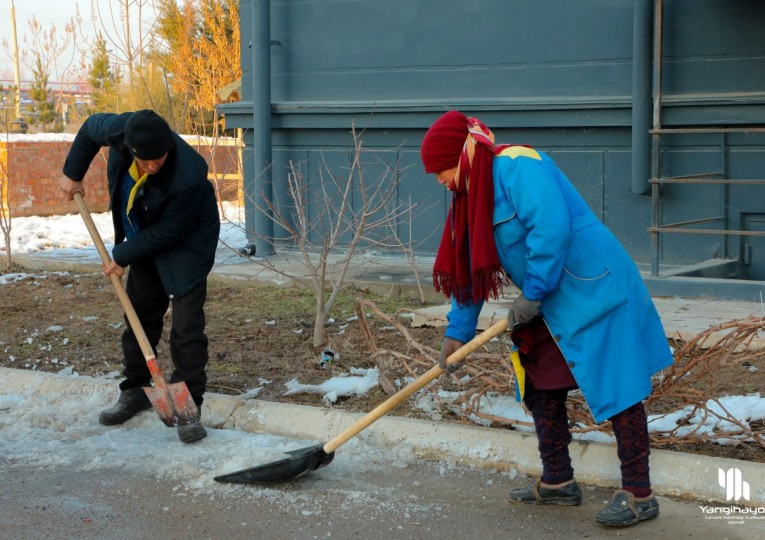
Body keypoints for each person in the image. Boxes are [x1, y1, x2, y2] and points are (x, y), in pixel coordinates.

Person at [420, 111, 674, 527]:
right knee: (539, 383)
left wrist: (533, 292)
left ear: (462, 155)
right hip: (544, 297)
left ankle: (639, 494)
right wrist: (457, 334)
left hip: (590, 287)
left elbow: (550, 230)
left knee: (619, 383)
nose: (439, 181)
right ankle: (558, 482)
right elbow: (469, 270)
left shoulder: (518, 165)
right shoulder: (470, 199)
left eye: (441, 170)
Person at [59, 110, 220, 444]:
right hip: (144, 230)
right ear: (130, 148)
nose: (152, 166)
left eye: (158, 160)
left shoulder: (189, 174)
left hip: (187, 242)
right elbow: (89, 129)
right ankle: (135, 389)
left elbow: (170, 231)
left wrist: (120, 255)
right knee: (139, 314)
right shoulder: (120, 131)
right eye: (145, 161)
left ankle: (188, 405)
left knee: (186, 327)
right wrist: (73, 173)